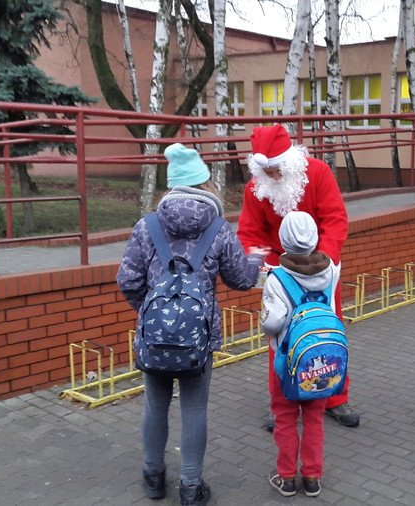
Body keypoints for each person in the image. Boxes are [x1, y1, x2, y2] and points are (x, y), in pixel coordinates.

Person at [117, 143, 269, 505]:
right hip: (198, 339)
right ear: (204, 184)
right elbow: (241, 279)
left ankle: (153, 479)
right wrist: (254, 260)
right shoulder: (218, 228)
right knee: (195, 409)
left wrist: (150, 314)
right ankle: (190, 488)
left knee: (155, 405)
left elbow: (127, 279)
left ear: (172, 186)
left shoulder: (147, 224)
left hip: (153, 338)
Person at [236, 124, 359, 428]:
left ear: (289, 160)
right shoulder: (255, 189)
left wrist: (325, 259)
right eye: (267, 171)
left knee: (328, 329)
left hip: (320, 267)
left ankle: (334, 398)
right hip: (281, 272)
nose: (274, 176)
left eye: (277, 169)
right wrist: (258, 264)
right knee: (279, 338)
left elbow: (335, 218)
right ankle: (282, 401)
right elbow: (249, 232)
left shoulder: (317, 173)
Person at [260, 211, 340, 498]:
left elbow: (273, 323)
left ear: (283, 240)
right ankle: (312, 476)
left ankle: (286, 476)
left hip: (285, 362)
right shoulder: (330, 270)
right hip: (322, 361)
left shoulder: (277, 278)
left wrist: (264, 316)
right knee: (314, 419)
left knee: (284, 417)